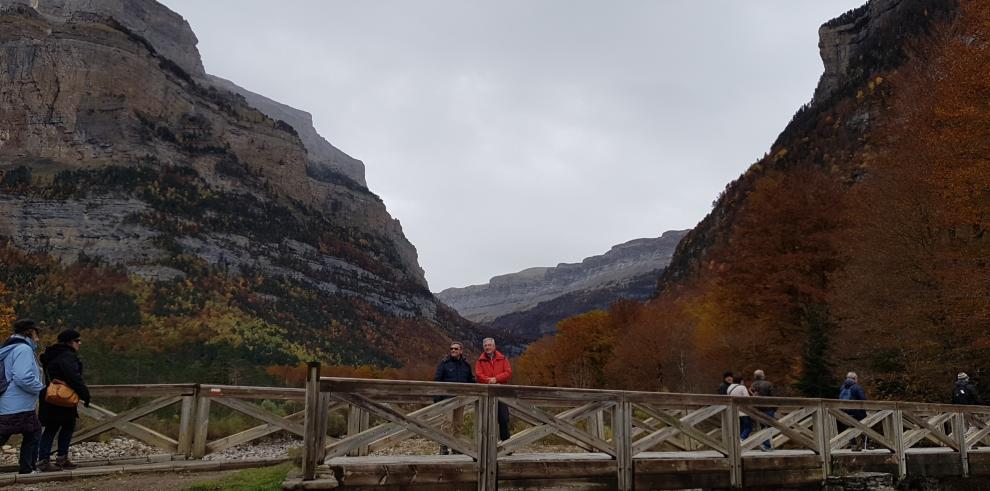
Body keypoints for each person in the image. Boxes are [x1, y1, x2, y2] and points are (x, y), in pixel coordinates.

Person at [37, 329, 90, 472]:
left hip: (51, 395)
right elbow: (74, 377)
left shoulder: (52, 354)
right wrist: (85, 394)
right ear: (69, 342)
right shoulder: (67, 356)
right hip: (64, 397)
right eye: (77, 340)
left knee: (52, 428)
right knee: (65, 427)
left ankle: (45, 459)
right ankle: (57, 459)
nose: (79, 343)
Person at [0, 319, 45, 474]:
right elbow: (22, 377)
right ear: (29, 332)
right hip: (18, 403)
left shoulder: (8, 348)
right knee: (8, 434)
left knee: (33, 432)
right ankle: (27, 469)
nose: (37, 339)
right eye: (36, 334)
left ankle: (28, 468)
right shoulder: (23, 350)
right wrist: (40, 388)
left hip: (10, 401)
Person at [433, 341, 474, 455]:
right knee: (447, 423)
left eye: (456, 349)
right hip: (447, 399)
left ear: (461, 350)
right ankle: (444, 447)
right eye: (451, 349)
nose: (453, 350)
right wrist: (437, 398)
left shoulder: (466, 366)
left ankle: (456, 447)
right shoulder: (444, 364)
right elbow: (437, 380)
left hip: (461, 399)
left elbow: (471, 381)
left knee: (458, 424)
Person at [475, 337, 512, 441]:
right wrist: (489, 381)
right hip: (486, 394)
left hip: (501, 393)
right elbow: (478, 375)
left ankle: (506, 446)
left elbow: (508, 373)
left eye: (489, 345)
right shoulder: (480, 361)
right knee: (486, 420)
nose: (487, 347)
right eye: (485, 345)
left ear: (494, 346)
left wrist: (496, 379)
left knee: (504, 419)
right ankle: (485, 447)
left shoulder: (503, 358)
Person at [839, 371, 867, 451]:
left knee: (850, 427)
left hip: (844, 411)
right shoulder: (857, 387)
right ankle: (866, 444)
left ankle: (853, 445)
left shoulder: (842, 387)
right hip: (857, 411)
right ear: (854, 379)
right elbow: (863, 400)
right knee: (864, 425)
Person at [749, 369, 776, 451]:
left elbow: (752, 396)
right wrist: (775, 408)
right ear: (763, 375)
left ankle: (766, 444)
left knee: (763, 426)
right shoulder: (768, 384)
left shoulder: (752, 385)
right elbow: (773, 397)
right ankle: (767, 445)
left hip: (758, 408)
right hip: (768, 408)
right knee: (769, 426)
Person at [726, 374, 751, 440]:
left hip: (734, 411)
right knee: (748, 427)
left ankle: (738, 442)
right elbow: (747, 399)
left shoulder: (729, 387)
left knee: (740, 428)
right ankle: (741, 439)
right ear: (741, 380)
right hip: (743, 411)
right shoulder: (742, 387)